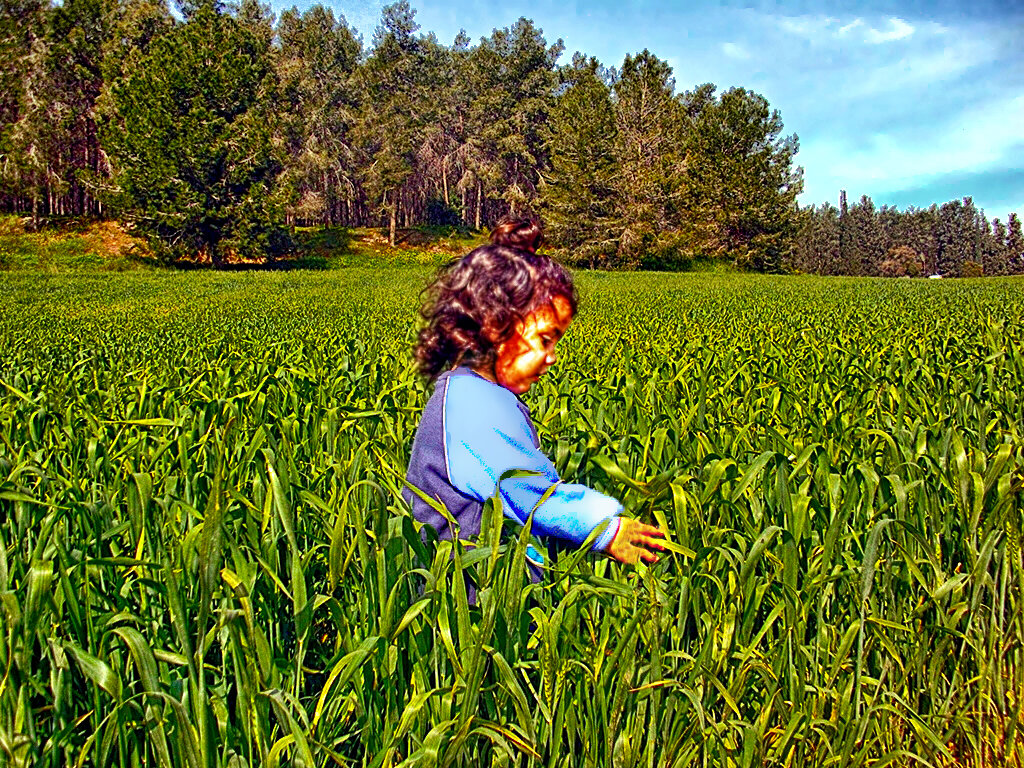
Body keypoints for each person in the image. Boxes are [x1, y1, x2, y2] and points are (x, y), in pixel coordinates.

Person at [402, 217, 665, 575]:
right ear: (496, 327)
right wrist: (607, 529)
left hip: (488, 584)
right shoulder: (469, 406)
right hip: (470, 596)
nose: (552, 355)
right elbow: (531, 495)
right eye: (544, 339)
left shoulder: (473, 393)